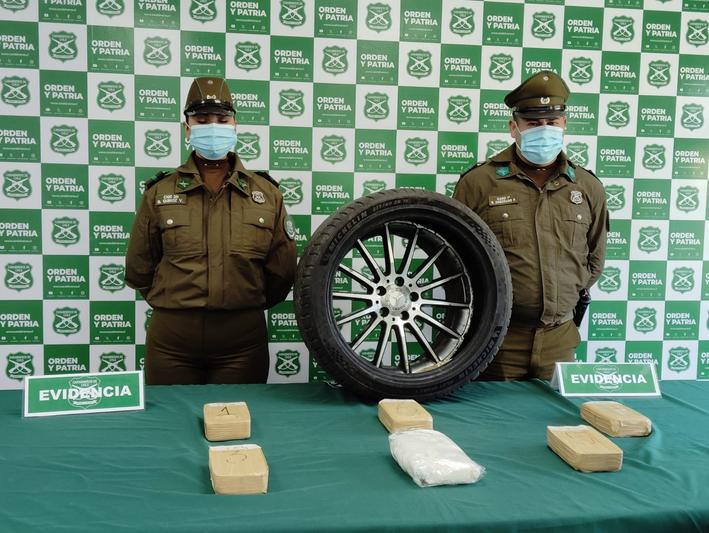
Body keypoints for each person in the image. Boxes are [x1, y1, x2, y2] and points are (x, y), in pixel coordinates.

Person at [125, 77, 297, 385]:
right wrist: (179, 307)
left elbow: (281, 271)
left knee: (236, 415)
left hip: (242, 342)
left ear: (235, 125)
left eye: (221, 119)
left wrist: (243, 306)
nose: (212, 127)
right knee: (171, 415)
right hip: (172, 343)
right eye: (202, 120)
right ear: (187, 128)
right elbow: (139, 268)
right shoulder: (160, 192)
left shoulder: (267, 194)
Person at [453, 70, 608, 380]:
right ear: (514, 127)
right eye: (534, 124)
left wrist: (566, 293)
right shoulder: (478, 183)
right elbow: (455, 259)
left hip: (559, 340)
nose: (544, 130)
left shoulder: (587, 187)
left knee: (558, 412)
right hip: (495, 341)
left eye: (552, 122)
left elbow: (594, 258)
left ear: (564, 124)